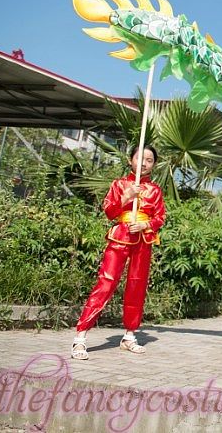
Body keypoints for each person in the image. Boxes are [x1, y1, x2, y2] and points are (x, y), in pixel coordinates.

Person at [71, 146, 166, 360]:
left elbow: (160, 218)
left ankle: (129, 336)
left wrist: (145, 225)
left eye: (149, 160)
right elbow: (109, 211)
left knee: (137, 285)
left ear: (154, 164)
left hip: (143, 240)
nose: (144, 163)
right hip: (120, 237)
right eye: (140, 158)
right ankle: (80, 337)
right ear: (130, 159)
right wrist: (126, 197)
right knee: (106, 283)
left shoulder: (156, 191)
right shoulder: (119, 184)